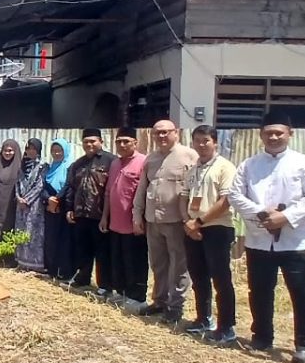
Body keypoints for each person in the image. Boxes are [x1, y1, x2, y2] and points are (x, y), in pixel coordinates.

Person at [229, 111, 305, 363]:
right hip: (259, 239)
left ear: (289, 134)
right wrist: (262, 214)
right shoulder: (249, 165)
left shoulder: (304, 164)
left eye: (278, 133)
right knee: (259, 290)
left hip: (297, 241)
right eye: (269, 133)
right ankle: (261, 336)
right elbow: (235, 195)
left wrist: (285, 217)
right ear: (261, 135)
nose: (273, 137)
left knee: (302, 293)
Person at [133, 120, 199, 323]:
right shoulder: (151, 159)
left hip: (177, 221)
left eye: (165, 133)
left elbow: (197, 189)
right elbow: (142, 189)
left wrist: (193, 219)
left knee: (179, 265)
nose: (161, 137)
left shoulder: (189, 156)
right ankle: (159, 301)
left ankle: (175, 305)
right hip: (153, 220)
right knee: (158, 263)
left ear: (176, 133)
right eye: (157, 133)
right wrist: (137, 215)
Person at [183, 125, 238, 342]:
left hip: (217, 227)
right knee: (198, 276)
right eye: (197, 140)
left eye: (206, 140)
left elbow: (226, 201)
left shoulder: (225, 167)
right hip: (193, 228)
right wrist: (187, 223)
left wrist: (199, 221)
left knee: (221, 278)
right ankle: (203, 318)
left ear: (215, 142)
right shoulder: (193, 168)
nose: (201, 144)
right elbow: (184, 197)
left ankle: (227, 326)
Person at [100, 128, 149, 311]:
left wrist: (140, 219)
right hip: (115, 223)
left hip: (134, 223)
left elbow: (144, 193)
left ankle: (137, 297)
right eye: (119, 141)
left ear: (135, 143)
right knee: (118, 259)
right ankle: (120, 293)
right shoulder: (114, 163)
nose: (122, 145)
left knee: (135, 261)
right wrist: (105, 217)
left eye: (126, 141)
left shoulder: (143, 162)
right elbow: (108, 193)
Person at [62, 129, 116, 289]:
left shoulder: (111, 161)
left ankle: (104, 286)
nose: (89, 144)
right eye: (86, 142)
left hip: (100, 215)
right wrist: (69, 208)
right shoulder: (78, 164)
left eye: (93, 141)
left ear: (101, 142)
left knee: (103, 252)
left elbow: (112, 189)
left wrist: (108, 214)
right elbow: (71, 187)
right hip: (81, 214)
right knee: (83, 249)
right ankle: (82, 279)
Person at [14, 139, 49, 273]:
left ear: (38, 150)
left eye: (33, 149)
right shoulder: (21, 166)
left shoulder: (43, 167)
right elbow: (17, 183)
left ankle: (35, 264)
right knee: (21, 232)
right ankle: (22, 262)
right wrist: (18, 198)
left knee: (34, 234)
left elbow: (40, 185)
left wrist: (27, 200)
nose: (30, 151)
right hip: (20, 205)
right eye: (28, 148)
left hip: (35, 206)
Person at [43, 138, 73, 279]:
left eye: (59, 150)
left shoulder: (69, 168)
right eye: (54, 150)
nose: (56, 153)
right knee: (50, 239)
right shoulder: (48, 168)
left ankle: (63, 271)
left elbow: (68, 185)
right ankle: (51, 269)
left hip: (63, 208)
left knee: (64, 240)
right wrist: (48, 199)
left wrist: (57, 200)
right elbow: (42, 186)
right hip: (49, 207)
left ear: (65, 151)